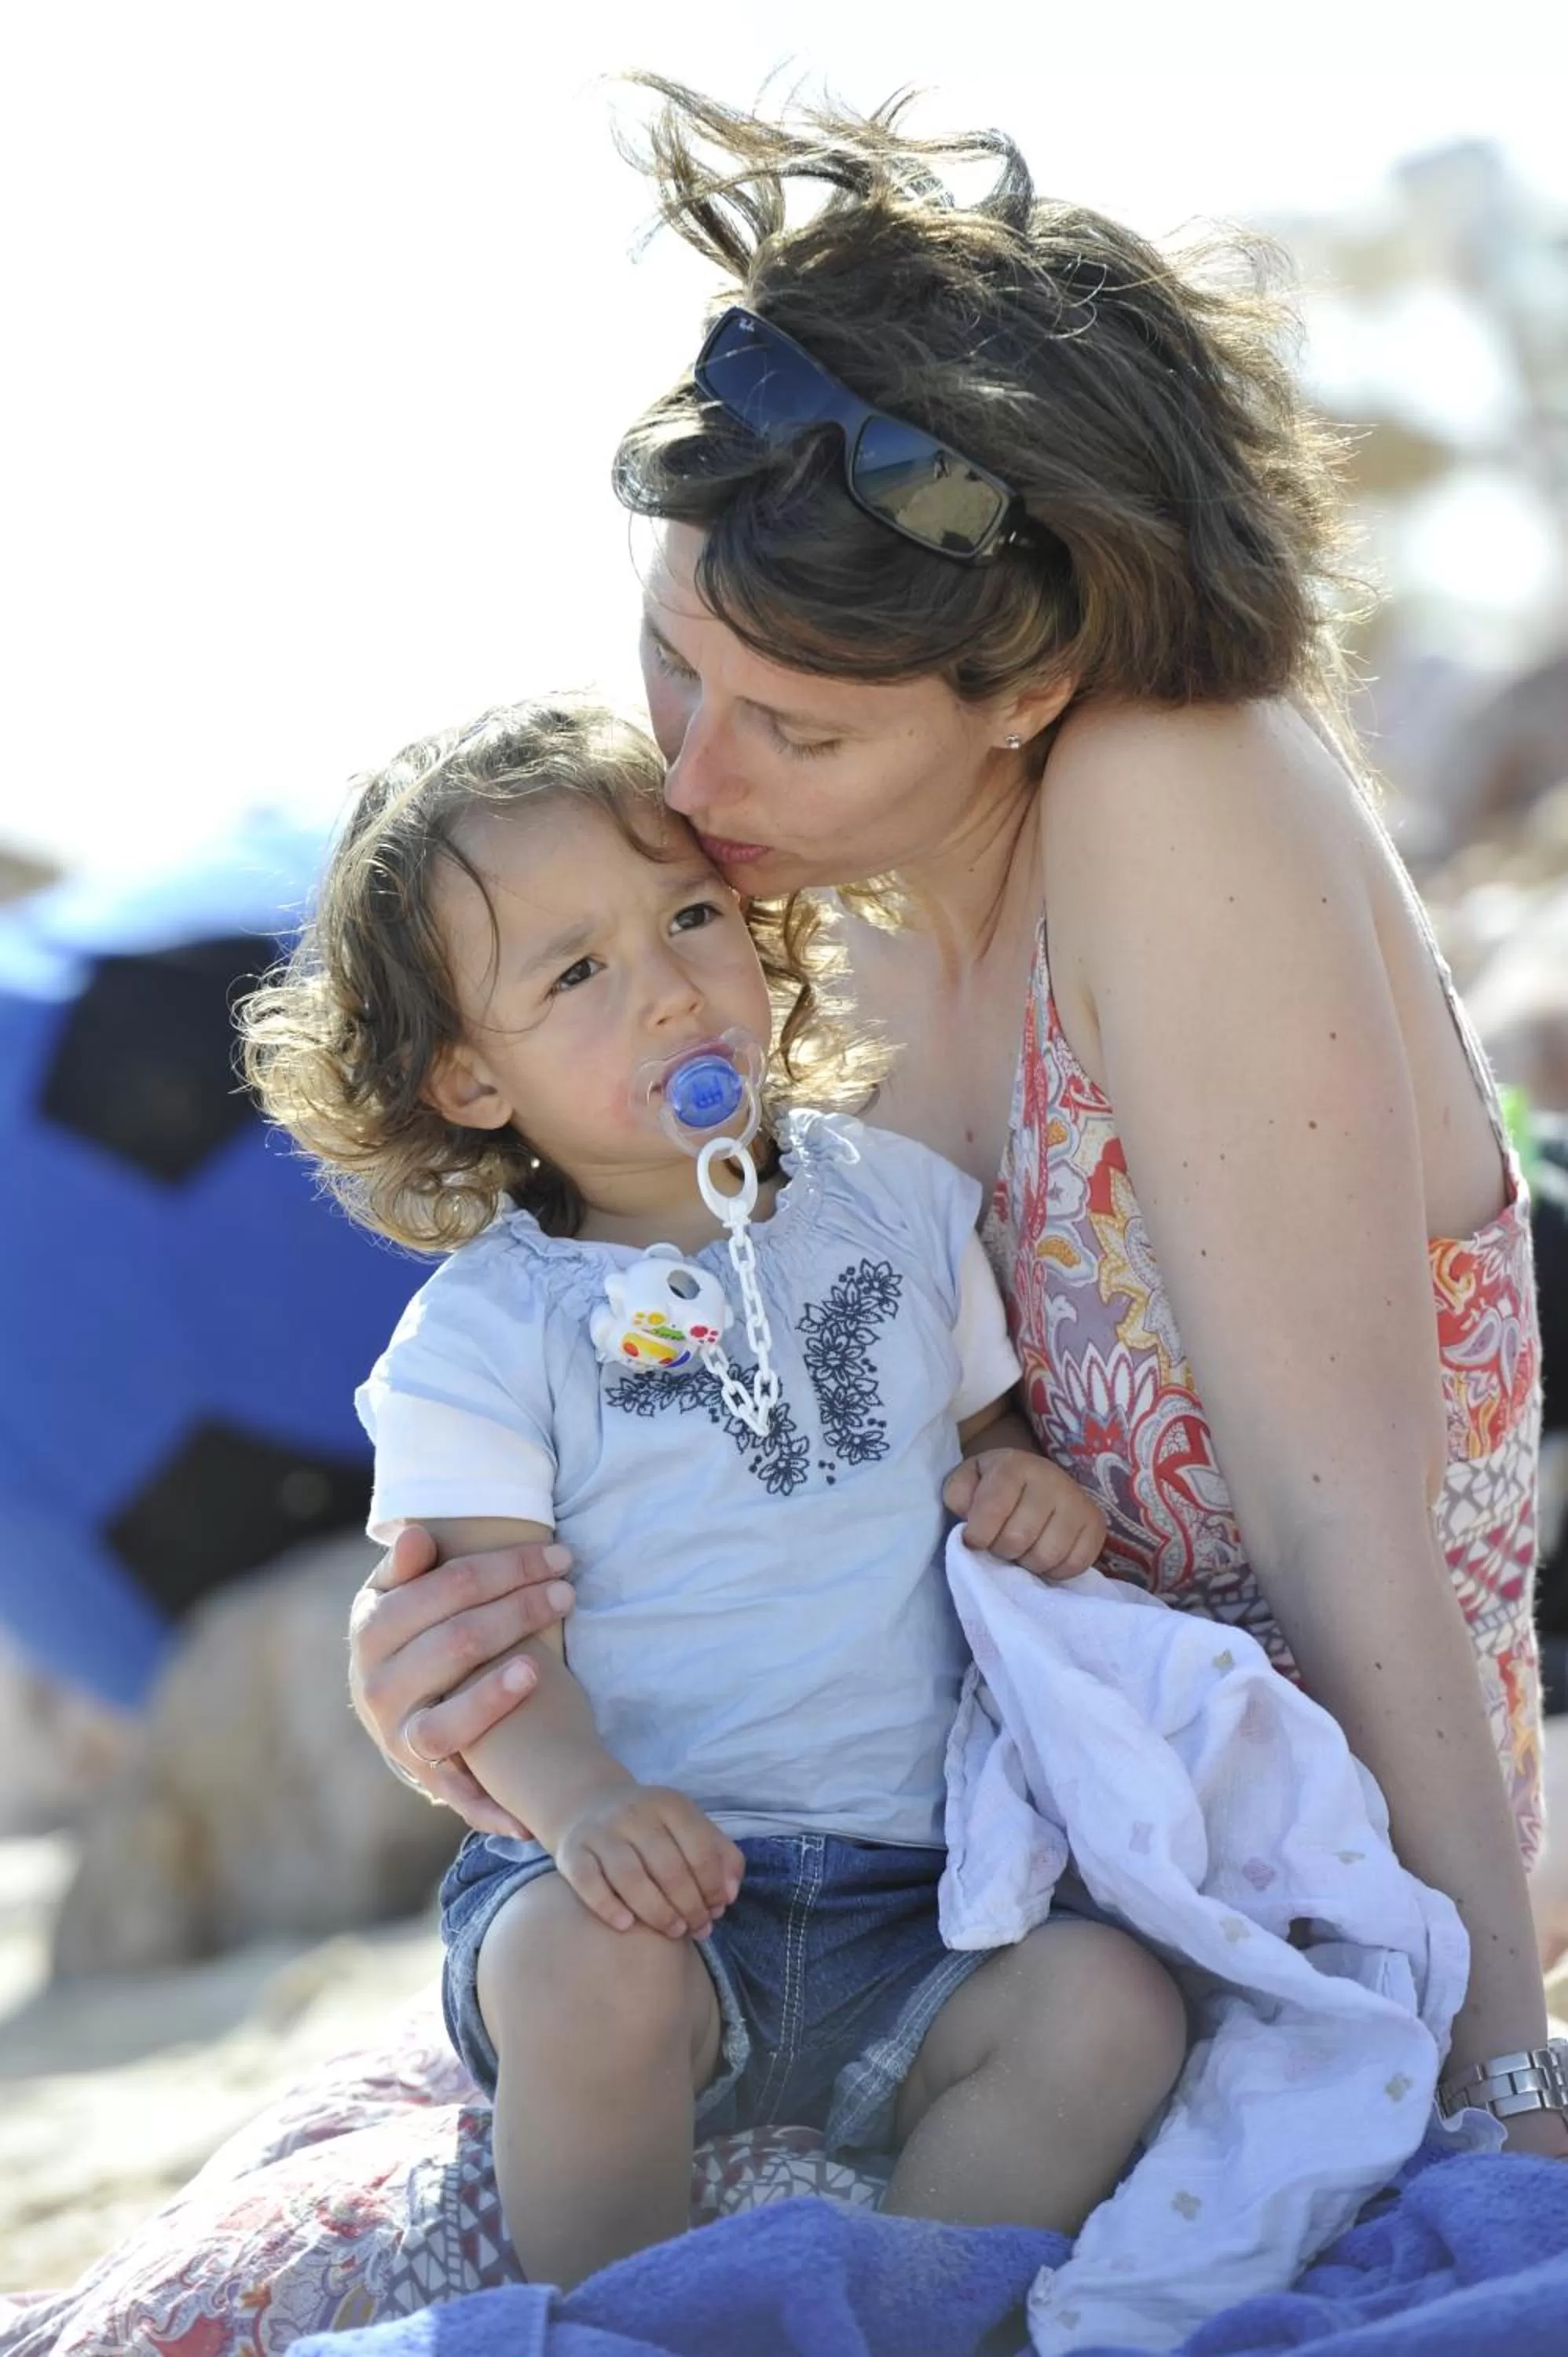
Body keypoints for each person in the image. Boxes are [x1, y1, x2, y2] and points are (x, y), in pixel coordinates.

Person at [347, 86, 1560, 2158]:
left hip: (1278, 1899)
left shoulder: (1175, 788)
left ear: (1027, 678)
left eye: (791, 728)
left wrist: (1496, 2081)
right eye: (669, 666)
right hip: (942, 1898)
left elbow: (1342, 1528)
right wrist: (457, 1672)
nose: (695, 780)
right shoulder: (848, 926)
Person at [243, 698, 1181, 2286]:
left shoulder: (897, 1208)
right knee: (582, 1981)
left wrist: (1030, 1496)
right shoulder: (488, 1333)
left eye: (688, 916)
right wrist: (586, 1810)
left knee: (1111, 2012)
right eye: (578, 973)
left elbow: (990, 1447)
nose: (672, 985)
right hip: (642, 1897)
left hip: (927, 1900)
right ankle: (625, 2320)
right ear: (471, 1079)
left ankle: (907, 2307)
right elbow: (483, 1644)